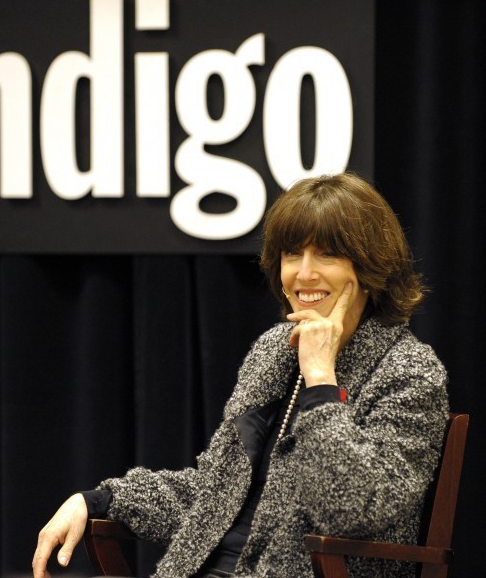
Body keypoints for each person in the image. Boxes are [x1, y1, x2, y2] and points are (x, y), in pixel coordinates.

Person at [32, 172, 449, 578]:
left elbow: (350, 509)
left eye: (327, 254)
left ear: (370, 268)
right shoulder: (273, 351)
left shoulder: (409, 373)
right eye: (291, 254)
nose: (303, 273)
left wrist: (321, 378)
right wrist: (99, 500)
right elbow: (216, 492)